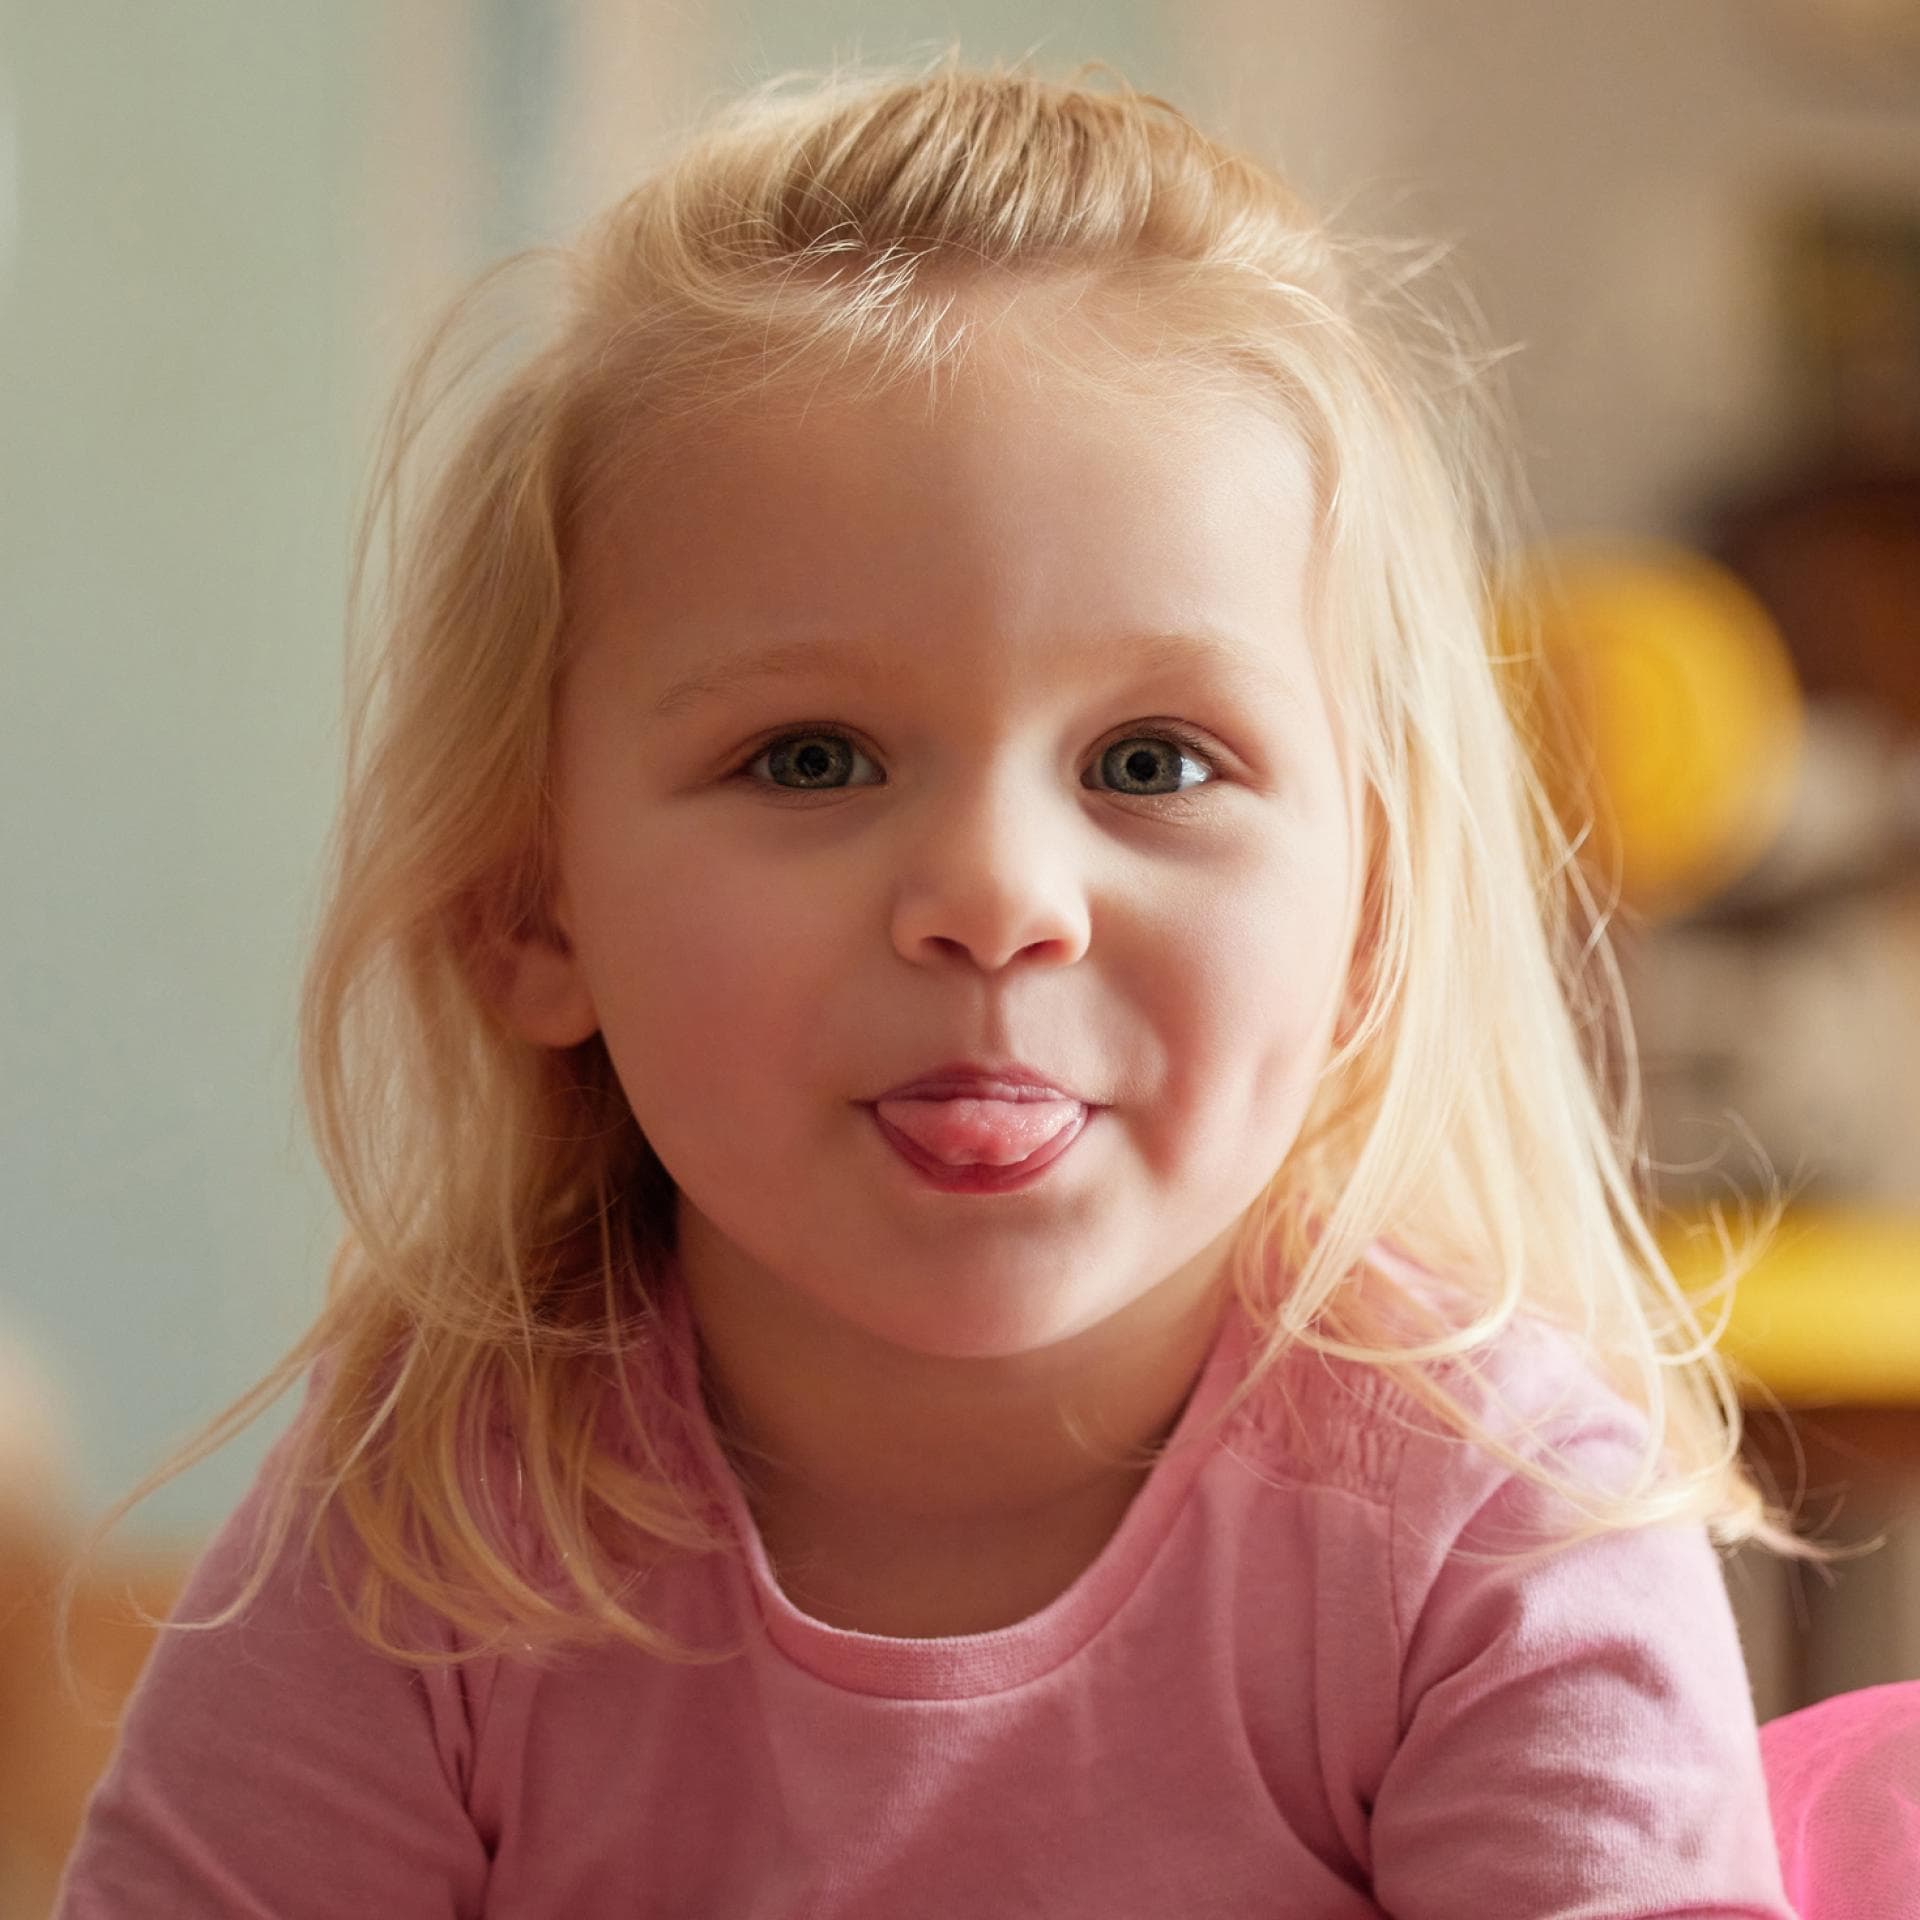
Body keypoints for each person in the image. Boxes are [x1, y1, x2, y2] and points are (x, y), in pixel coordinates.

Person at [54, 53, 1815, 1917]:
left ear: (1371, 904)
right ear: (531, 904)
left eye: (1151, 764)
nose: (995, 900)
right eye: (810, 759)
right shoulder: (437, 1523)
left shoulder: (1494, 1529)